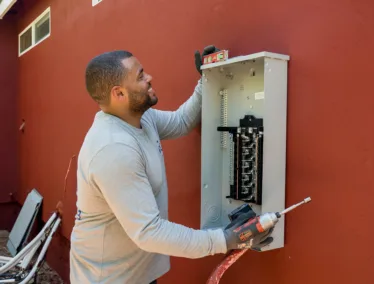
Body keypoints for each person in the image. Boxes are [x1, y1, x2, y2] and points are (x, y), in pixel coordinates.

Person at [69, 46, 273, 284]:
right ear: (119, 94)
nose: (149, 78)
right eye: (140, 76)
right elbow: (149, 231)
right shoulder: (114, 149)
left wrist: (206, 78)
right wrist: (226, 239)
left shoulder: (140, 118)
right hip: (108, 279)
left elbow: (181, 121)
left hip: (136, 271)